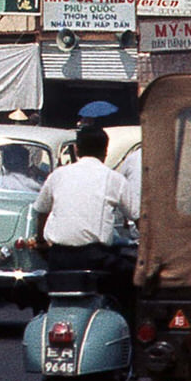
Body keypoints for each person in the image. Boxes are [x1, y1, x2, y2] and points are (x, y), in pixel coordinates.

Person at [32, 124, 139, 315]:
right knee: (134, 282)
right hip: (95, 260)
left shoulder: (58, 175)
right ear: (105, 152)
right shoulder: (113, 179)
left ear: (76, 149)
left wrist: (41, 241)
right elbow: (139, 218)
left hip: (59, 259)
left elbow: (41, 211)